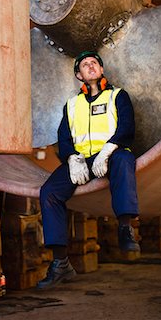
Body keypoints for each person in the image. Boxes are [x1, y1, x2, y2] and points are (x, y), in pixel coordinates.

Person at [37, 50, 140, 290]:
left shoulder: (118, 96)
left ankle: (125, 229)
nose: (91, 66)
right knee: (49, 191)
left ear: (101, 70)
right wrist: (72, 158)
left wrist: (107, 151)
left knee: (125, 160)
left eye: (95, 63)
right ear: (78, 75)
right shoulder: (72, 105)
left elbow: (127, 126)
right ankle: (61, 262)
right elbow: (63, 138)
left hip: (111, 155)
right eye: (85, 65)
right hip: (82, 162)